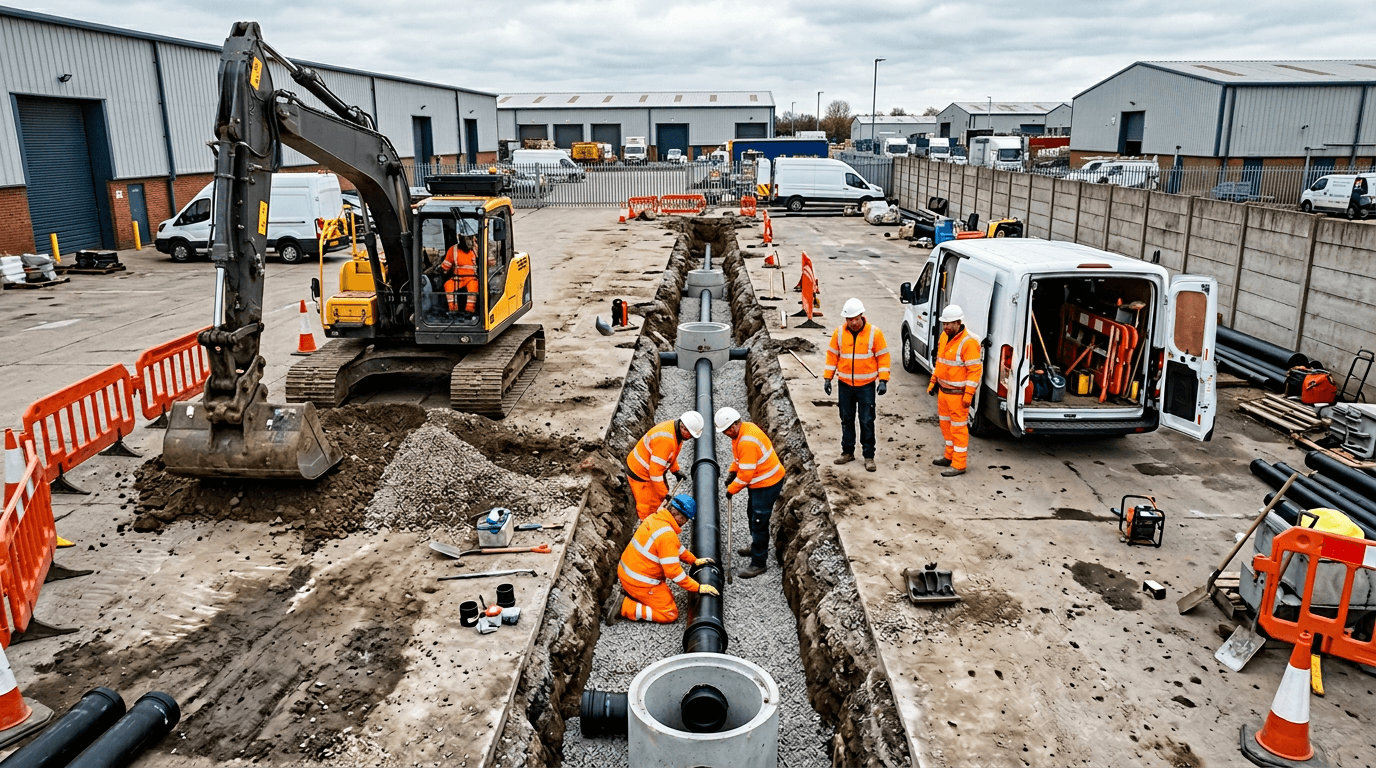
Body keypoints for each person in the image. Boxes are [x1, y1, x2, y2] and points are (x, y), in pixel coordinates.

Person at [606, 494, 718, 624]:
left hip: (626, 573)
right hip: (640, 582)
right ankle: (625, 607)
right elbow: (674, 573)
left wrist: (694, 561)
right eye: (686, 519)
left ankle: (633, 593)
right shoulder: (667, 536)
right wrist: (698, 588)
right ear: (679, 517)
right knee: (669, 613)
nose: (685, 523)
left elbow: (676, 549)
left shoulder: (655, 518)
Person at [716, 407, 786, 580]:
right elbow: (739, 459)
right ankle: (756, 546)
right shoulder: (742, 431)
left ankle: (759, 563)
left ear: (733, 426)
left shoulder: (746, 440)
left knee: (759, 521)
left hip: (767, 483)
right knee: (751, 514)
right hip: (761, 481)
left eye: (725, 430)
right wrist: (732, 472)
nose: (724, 434)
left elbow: (746, 474)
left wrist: (731, 489)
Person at [823, 298, 891, 472]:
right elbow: (832, 357)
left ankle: (869, 456)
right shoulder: (839, 333)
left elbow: (883, 357)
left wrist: (883, 380)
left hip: (866, 386)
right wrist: (827, 378)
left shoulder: (874, 333)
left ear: (862, 316)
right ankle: (848, 452)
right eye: (849, 319)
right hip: (845, 385)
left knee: (867, 420)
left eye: (855, 319)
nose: (853, 322)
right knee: (846, 419)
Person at [928, 305, 982, 477]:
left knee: (958, 429)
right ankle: (949, 456)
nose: (946, 327)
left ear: (959, 323)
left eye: (950, 324)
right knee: (946, 426)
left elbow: (975, 372)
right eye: (944, 324)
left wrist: (968, 395)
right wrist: (933, 383)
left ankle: (959, 464)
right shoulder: (944, 337)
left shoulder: (969, 343)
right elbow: (940, 362)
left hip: (958, 396)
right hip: (944, 393)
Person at [626, 411, 705, 520]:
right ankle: (646, 526)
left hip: (648, 468)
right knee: (647, 505)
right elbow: (655, 474)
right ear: (683, 428)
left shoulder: (675, 431)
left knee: (658, 499)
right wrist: (664, 494)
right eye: (691, 434)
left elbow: (670, 455)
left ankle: (655, 518)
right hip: (640, 473)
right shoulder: (665, 440)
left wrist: (675, 470)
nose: (691, 437)